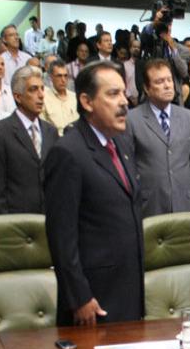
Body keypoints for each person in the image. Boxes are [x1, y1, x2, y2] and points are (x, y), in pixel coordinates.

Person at [44, 61, 144, 326]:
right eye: (113, 94)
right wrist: (79, 296)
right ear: (87, 102)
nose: (124, 102)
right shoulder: (68, 152)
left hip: (128, 290)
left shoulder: (121, 143)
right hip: (92, 300)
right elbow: (61, 237)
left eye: (124, 93)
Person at [130, 59, 190, 216]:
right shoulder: (132, 120)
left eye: (169, 80)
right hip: (149, 207)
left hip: (185, 204)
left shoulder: (189, 118)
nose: (167, 85)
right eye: (159, 81)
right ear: (146, 88)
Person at [0, 66, 58, 214]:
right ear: (18, 96)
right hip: (17, 225)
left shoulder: (51, 131)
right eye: (33, 89)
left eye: (42, 89)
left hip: (50, 220)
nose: (41, 95)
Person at [41, 59, 79, 136]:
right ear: (51, 77)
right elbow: (43, 128)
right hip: (55, 141)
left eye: (65, 76)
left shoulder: (75, 97)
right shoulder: (44, 98)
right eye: (59, 76)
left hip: (76, 140)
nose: (63, 80)